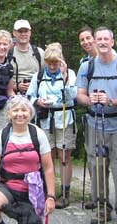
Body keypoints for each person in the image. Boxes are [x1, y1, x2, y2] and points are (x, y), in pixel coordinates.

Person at [76, 26, 117, 224]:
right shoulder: (87, 67)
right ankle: (102, 208)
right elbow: (80, 95)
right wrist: (89, 100)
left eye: (106, 39)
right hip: (95, 123)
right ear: (94, 41)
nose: (102, 42)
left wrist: (111, 101)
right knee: (97, 166)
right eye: (99, 39)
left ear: (113, 41)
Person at [0, 95, 56, 224]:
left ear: (30, 113)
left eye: (24, 110)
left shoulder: (38, 134)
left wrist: (51, 196)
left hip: (33, 189)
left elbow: (48, 168)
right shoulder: (3, 135)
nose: (20, 114)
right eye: (15, 110)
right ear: (9, 114)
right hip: (7, 186)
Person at [27, 42, 77, 209]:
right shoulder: (39, 76)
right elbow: (29, 96)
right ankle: (48, 191)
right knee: (46, 156)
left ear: (61, 61)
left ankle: (65, 192)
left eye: (55, 62)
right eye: (49, 62)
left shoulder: (69, 74)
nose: (53, 66)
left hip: (64, 118)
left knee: (64, 156)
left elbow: (72, 97)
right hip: (45, 119)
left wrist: (65, 78)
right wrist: (38, 101)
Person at [10, 19, 45, 94]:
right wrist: (17, 86)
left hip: (37, 95)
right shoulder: (8, 54)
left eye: (26, 31)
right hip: (15, 96)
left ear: (30, 33)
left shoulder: (39, 53)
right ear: (14, 33)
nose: (23, 34)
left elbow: (48, 74)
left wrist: (35, 85)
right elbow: (2, 80)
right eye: (20, 31)